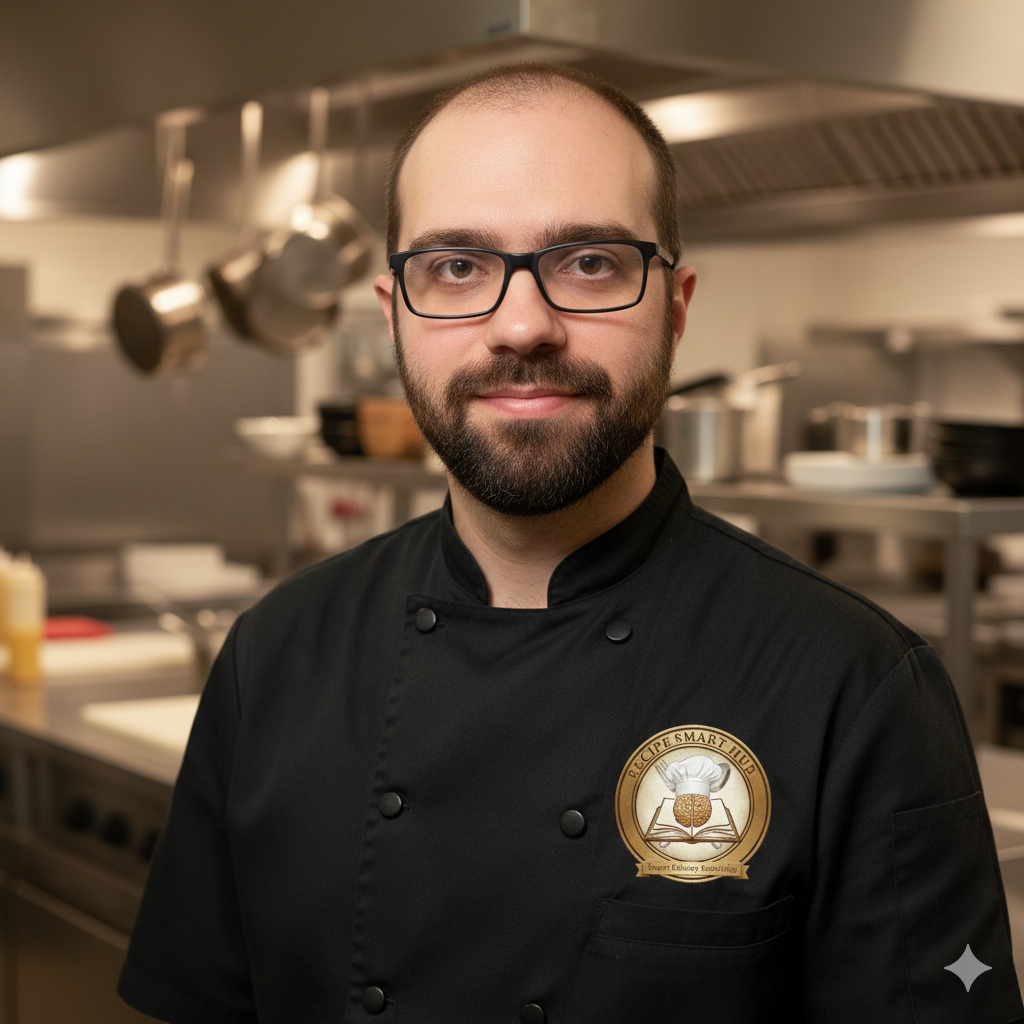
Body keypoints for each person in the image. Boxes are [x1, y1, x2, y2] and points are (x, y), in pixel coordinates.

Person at [119, 63, 1024, 1024]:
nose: (523, 326)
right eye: (456, 267)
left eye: (590, 262)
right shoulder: (273, 656)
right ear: (394, 316)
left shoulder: (856, 685)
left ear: (676, 307)